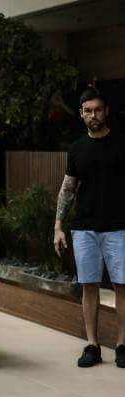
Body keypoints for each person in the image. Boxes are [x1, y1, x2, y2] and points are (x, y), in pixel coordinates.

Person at [54, 88, 125, 369]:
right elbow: (68, 189)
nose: (92, 115)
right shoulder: (77, 148)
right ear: (82, 114)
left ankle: (122, 345)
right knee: (89, 287)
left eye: (97, 109)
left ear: (106, 110)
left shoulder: (122, 143)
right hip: (85, 228)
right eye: (87, 111)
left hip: (120, 227)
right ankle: (92, 345)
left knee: (122, 287)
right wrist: (58, 225)